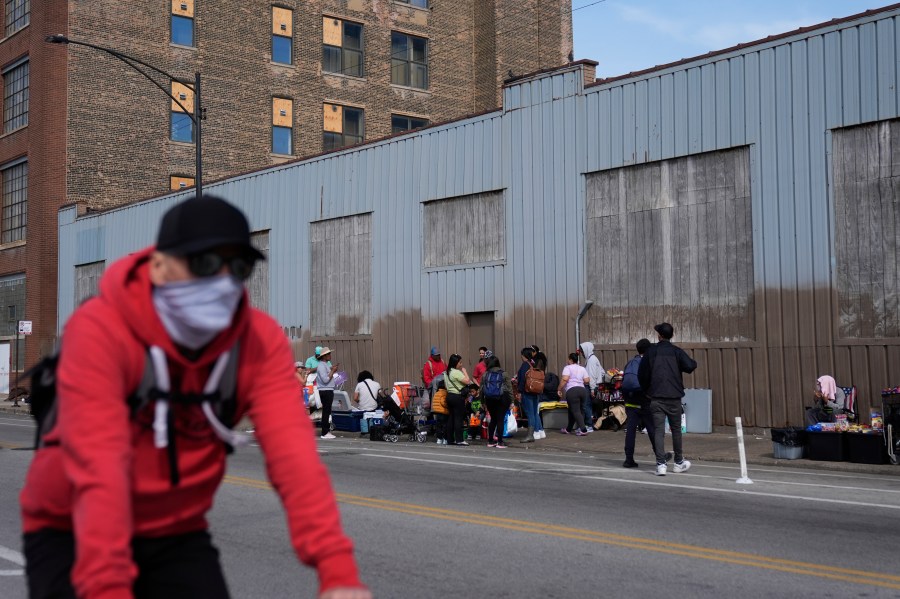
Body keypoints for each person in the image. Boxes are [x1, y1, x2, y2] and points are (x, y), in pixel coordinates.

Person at [19, 195, 369, 599]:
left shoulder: (257, 342)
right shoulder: (102, 329)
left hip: (176, 531)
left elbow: (294, 458)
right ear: (159, 265)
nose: (221, 281)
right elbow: (100, 470)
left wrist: (337, 572)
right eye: (204, 263)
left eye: (238, 267)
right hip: (71, 526)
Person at [638, 322, 697, 476]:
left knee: (659, 431)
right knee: (676, 430)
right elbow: (690, 366)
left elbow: (642, 374)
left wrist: (647, 391)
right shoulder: (676, 352)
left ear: (659, 335)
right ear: (671, 335)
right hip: (674, 397)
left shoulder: (651, 352)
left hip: (656, 397)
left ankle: (660, 464)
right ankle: (678, 462)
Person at [621, 339, 667, 468]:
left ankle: (628, 459)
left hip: (630, 403)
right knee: (652, 430)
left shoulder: (631, 362)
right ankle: (660, 457)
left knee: (630, 431)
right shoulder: (649, 363)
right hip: (645, 402)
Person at [477, 355, 513, 448]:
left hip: (489, 399)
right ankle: (500, 442)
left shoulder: (485, 374)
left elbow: (481, 389)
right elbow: (509, 389)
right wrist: (512, 401)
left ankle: (490, 441)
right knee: (500, 419)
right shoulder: (504, 374)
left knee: (493, 419)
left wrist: (482, 401)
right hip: (502, 398)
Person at [516, 347, 545, 442]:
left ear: (524, 355)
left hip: (527, 392)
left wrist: (519, 392)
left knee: (530, 414)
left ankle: (530, 435)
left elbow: (522, 380)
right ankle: (539, 431)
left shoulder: (525, 365)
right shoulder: (533, 364)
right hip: (535, 391)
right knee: (534, 412)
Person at [558, 352, 591, 436]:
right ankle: (568, 429)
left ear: (571, 360)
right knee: (575, 410)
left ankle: (583, 430)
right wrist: (579, 381)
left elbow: (565, 379)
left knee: (576, 411)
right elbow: (587, 380)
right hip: (582, 390)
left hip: (572, 391)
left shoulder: (567, 368)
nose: (567, 360)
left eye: (568, 359)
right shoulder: (582, 368)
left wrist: (559, 388)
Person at [444, 353, 471, 446]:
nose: (461, 364)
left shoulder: (446, 372)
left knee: (451, 418)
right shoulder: (456, 372)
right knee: (458, 419)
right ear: (455, 363)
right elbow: (467, 381)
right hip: (457, 397)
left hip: (449, 396)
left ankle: (450, 439)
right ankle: (459, 439)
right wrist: (465, 371)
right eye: (460, 362)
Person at [577, 341, 605, 431]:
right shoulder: (593, 359)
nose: (582, 353)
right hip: (594, 385)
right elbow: (602, 372)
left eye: (582, 351)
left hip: (590, 386)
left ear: (586, 350)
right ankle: (590, 424)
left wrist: (592, 388)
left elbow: (591, 376)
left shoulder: (591, 361)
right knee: (590, 405)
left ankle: (589, 425)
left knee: (586, 405)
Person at [316, 347, 340, 439]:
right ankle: (325, 432)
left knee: (326, 411)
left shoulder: (324, 364)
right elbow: (325, 379)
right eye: (328, 354)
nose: (330, 355)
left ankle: (326, 431)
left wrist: (332, 369)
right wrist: (333, 371)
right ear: (324, 356)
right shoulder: (321, 365)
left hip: (327, 389)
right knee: (326, 411)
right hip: (325, 390)